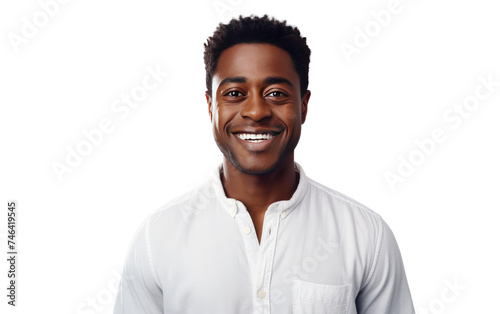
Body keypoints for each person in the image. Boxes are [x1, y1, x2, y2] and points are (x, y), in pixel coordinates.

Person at [114, 15, 415, 314]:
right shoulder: (157, 239)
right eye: (234, 93)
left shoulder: (366, 235)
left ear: (303, 105)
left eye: (276, 94)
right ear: (210, 107)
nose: (256, 111)